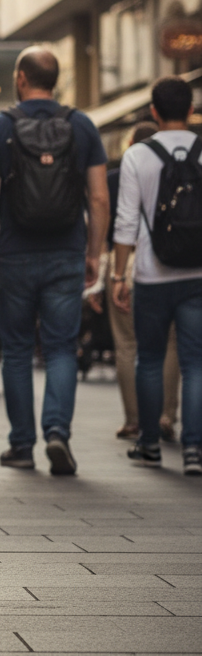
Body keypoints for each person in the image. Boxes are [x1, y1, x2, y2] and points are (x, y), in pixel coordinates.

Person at [0, 47, 109, 476]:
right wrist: (94, 253)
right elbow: (100, 197)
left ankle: (20, 444)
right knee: (61, 347)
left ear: (20, 78)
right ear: (56, 80)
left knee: (14, 350)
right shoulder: (81, 125)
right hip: (67, 251)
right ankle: (57, 433)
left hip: (14, 252)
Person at [112, 77, 201, 476]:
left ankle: (148, 444)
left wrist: (118, 275)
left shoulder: (138, 156)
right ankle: (194, 449)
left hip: (151, 274)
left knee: (148, 359)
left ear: (153, 111)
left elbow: (126, 220)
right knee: (194, 363)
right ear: (191, 108)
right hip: (198, 274)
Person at [105, 122, 180, 440]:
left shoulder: (116, 176)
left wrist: (112, 275)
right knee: (172, 345)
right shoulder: (183, 168)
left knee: (128, 345)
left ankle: (135, 419)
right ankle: (166, 416)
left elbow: (111, 223)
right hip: (178, 263)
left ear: (132, 145)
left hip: (129, 261)